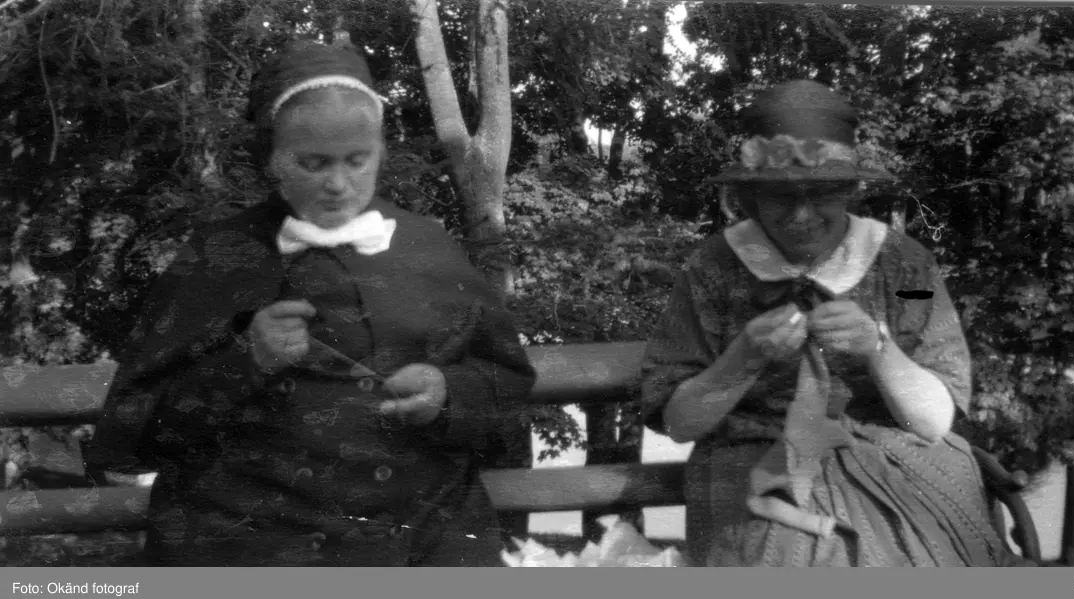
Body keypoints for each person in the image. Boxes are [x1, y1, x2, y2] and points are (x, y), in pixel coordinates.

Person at [82, 39, 536, 567]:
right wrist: (245, 362)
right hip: (248, 546)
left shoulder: (428, 245)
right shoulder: (220, 254)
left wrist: (447, 393)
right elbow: (134, 434)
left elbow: (506, 386)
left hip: (419, 540)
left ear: (381, 152)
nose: (338, 184)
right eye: (313, 163)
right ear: (271, 159)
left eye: (357, 161)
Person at [639, 80, 1021, 567]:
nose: (801, 216)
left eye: (821, 194)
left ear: (850, 191)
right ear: (750, 196)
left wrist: (878, 348)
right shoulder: (713, 268)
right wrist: (742, 360)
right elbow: (680, 424)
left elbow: (932, 422)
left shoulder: (904, 266)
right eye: (780, 196)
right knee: (800, 558)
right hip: (755, 462)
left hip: (899, 456)